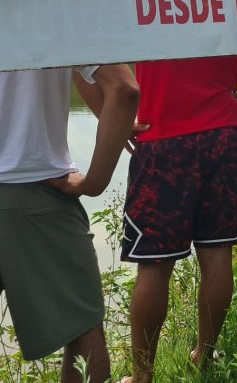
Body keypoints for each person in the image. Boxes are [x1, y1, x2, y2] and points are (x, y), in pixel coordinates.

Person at [123, 52, 237, 383]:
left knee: (154, 267)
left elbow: (88, 62)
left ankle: (142, 376)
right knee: (217, 256)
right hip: (221, 137)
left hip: (161, 138)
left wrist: (113, 116)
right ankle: (204, 356)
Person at [0, 64, 139, 383]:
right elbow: (123, 88)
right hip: (34, 188)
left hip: (31, 189)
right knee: (82, 334)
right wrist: (94, 182)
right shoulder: (57, 13)